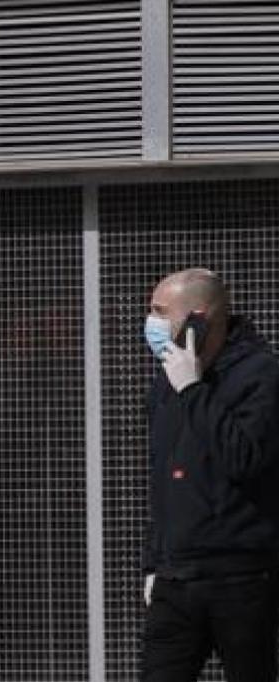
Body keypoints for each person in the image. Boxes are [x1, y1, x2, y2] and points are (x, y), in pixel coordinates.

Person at [141, 268, 279, 682]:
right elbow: (163, 476)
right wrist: (154, 561)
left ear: (198, 318)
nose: (150, 323)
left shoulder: (261, 376)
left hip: (240, 577)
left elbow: (245, 458)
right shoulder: (167, 380)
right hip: (175, 578)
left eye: (160, 312)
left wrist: (195, 391)